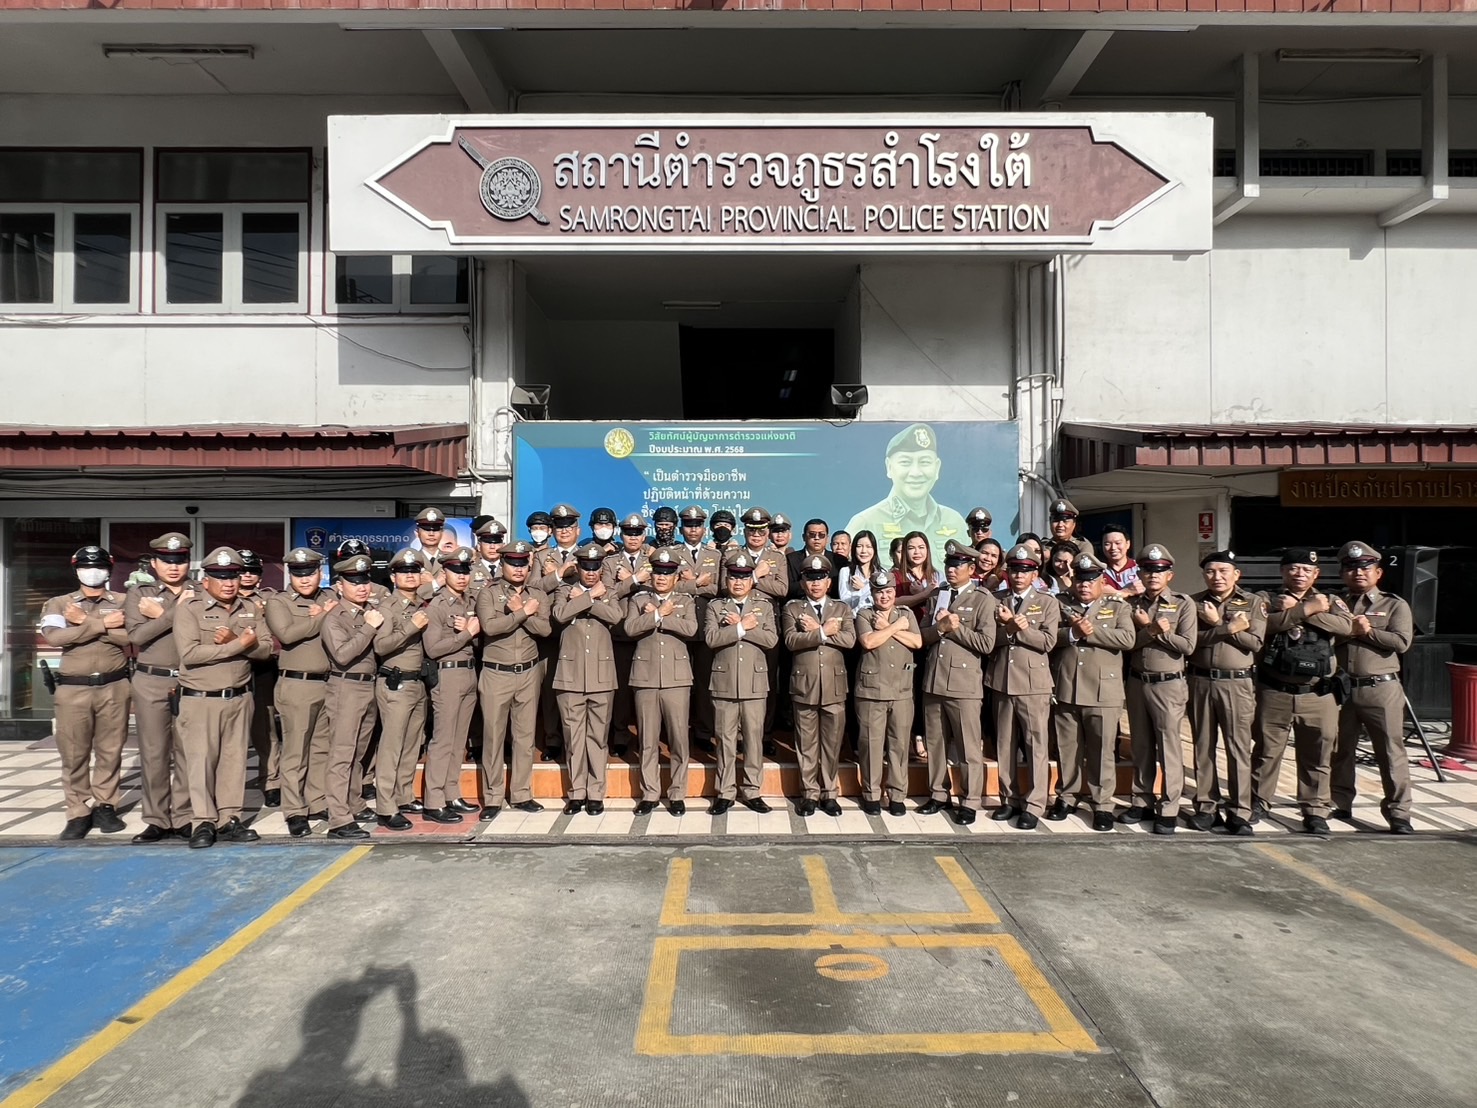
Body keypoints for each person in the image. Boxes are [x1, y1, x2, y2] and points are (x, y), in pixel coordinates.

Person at [1250, 547, 1355, 834]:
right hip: (1275, 690)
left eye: (1307, 570)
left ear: (1316, 574)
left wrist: (1303, 611)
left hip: (1317, 694)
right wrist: (1303, 610)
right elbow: (1261, 626)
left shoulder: (1330, 600)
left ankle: (1315, 809)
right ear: (1282, 572)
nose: (1300, 574)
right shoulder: (1265, 599)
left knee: (1318, 754)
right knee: (1266, 751)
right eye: (1293, 569)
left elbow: (1346, 627)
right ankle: (1258, 801)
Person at [173, 546, 272, 849]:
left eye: (233, 576)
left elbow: (266, 649)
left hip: (239, 697)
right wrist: (237, 645)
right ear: (206, 580)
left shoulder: (250, 608)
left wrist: (239, 642)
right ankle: (203, 821)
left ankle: (230, 818)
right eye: (220, 576)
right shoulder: (190, 609)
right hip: (201, 699)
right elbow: (190, 654)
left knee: (234, 761)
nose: (228, 583)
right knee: (200, 762)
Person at [41, 545, 131, 841]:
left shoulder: (123, 601)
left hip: (114, 686)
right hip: (73, 688)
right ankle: (78, 811)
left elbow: (129, 638)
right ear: (76, 569)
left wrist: (84, 623)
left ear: (109, 570)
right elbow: (55, 637)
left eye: (99, 566)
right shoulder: (59, 603)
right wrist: (103, 625)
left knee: (110, 750)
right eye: (86, 566)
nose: (93, 572)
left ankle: (106, 805)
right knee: (74, 753)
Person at [1332, 541, 1415, 835]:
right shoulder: (1335, 604)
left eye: (1365, 568)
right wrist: (1348, 632)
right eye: (1351, 568)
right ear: (1342, 573)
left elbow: (1402, 643)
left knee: (1390, 752)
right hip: (1342, 688)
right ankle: (1340, 802)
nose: (1358, 573)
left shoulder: (1394, 604)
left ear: (1378, 573)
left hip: (1380, 688)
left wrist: (1367, 632)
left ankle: (1398, 813)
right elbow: (1326, 640)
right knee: (1340, 750)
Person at [1050, 553, 1135, 831]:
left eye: (1090, 580)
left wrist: (1091, 631)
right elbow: (1048, 637)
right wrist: (1071, 634)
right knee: (1067, 748)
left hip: (1103, 691)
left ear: (1101, 580)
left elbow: (1127, 638)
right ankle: (1067, 796)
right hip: (1068, 687)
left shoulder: (1117, 606)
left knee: (1102, 751)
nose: (1084, 585)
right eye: (1080, 579)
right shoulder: (1061, 604)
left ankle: (1102, 804)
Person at [917, 541, 998, 822]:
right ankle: (938, 794)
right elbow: (923, 636)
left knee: (967, 746)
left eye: (958, 565)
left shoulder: (982, 599)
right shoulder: (938, 595)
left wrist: (956, 628)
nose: (951, 570)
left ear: (971, 569)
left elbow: (986, 643)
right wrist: (939, 628)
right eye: (949, 564)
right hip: (934, 679)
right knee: (935, 743)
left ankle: (970, 799)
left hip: (963, 684)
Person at [1188, 550, 1265, 835]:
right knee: (1203, 746)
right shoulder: (1194, 603)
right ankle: (1206, 807)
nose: (1217, 577)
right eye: (1210, 571)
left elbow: (1255, 643)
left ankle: (1240, 810)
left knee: (1238, 748)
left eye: (1223, 571)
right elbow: (1190, 642)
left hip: (1236, 683)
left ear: (1236, 574)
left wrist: (1217, 625)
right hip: (1200, 681)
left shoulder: (1253, 602)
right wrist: (1226, 627)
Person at [124, 532, 195, 842]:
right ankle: (156, 818)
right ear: (154, 563)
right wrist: (174, 613)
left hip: (191, 680)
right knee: (154, 753)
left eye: (179, 560)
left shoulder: (200, 591)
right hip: (152, 681)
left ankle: (184, 816)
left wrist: (160, 616)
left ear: (188, 562)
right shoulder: (139, 594)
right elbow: (137, 636)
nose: (173, 566)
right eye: (166, 560)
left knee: (188, 752)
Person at [1121, 544, 1197, 835]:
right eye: (1148, 570)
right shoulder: (1132, 605)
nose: (1153, 575)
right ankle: (1141, 799)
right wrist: (1151, 630)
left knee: (1169, 747)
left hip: (1168, 683)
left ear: (1170, 575)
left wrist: (1154, 629)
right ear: (1139, 573)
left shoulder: (1183, 604)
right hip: (1137, 681)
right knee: (1141, 745)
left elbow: (1187, 646)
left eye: (1159, 570)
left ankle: (1169, 806)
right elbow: (1128, 643)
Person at [474, 541, 551, 819]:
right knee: (494, 737)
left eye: (523, 563)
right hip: (496, 672)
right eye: (512, 563)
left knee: (524, 737)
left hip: (528, 672)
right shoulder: (489, 592)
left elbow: (545, 629)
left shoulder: (537, 595)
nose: (518, 569)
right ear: (503, 563)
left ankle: (521, 794)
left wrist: (523, 612)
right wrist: (523, 612)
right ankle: (493, 797)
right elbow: (490, 627)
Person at [986, 543, 1060, 830]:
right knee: (1004, 744)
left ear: (1035, 574)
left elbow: (1047, 642)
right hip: (1002, 679)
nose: (1019, 575)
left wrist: (1020, 627)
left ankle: (1035, 803)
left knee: (1035, 745)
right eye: (1015, 570)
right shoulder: (997, 600)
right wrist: (1008, 628)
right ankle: (1009, 798)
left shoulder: (1047, 602)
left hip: (1033, 684)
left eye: (1025, 570)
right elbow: (988, 641)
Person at [264, 547, 337, 838]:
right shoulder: (279, 601)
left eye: (309, 573)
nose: (304, 579)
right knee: (295, 751)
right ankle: (294, 809)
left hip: (327, 682)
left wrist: (325, 612)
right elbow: (287, 634)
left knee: (321, 748)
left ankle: (317, 801)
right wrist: (322, 617)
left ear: (319, 572)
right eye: (297, 574)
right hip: (297, 684)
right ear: (289, 574)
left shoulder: (329, 597)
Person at [624, 549, 699, 815]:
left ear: (676, 577)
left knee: (679, 738)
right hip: (645, 677)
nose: (661, 577)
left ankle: (677, 793)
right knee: (647, 739)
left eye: (667, 573)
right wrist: (655, 615)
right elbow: (630, 628)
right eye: (657, 572)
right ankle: (650, 793)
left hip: (676, 678)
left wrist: (663, 616)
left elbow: (691, 629)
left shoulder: (685, 600)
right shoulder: (639, 600)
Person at [552, 543, 623, 815]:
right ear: (578, 567)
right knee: (573, 738)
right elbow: (559, 615)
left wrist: (585, 600)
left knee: (597, 737)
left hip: (601, 677)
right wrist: (590, 597)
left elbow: (616, 616)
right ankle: (577, 792)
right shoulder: (563, 590)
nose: (591, 572)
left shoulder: (610, 591)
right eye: (586, 567)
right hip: (570, 677)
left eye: (595, 567)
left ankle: (595, 792)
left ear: (601, 568)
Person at [783, 554, 857, 817]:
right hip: (805, 685)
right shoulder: (793, 608)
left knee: (832, 744)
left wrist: (815, 629)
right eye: (810, 579)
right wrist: (824, 631)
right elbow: (791, 641)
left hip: (834, 686)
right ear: (803, 582)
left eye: (820, 578)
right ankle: (809, 794)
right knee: (806, 744)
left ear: (828, 582)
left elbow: (849, 640)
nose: (815, 584)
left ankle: (829, 794)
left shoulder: (841, 609)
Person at [705, 549, 778, 814]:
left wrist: (747, 627)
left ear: (751, 580)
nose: (738, 582)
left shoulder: (764, 606)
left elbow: (771, 640)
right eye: (734, 576)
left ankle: (752, 790)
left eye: (744, 576)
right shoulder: (716, 606)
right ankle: (725, 792)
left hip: (754, 684)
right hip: (724, 683)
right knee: (724, 740)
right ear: (727, 579)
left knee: (753, 740)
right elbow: (711, 639)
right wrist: (739, 627)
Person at [320, 553, 384, 841]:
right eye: (354, 582)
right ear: (339, 585)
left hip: (368, 686)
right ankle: (338, 818)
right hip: (345, 687)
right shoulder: (335, 617)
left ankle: (354, 803)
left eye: (365, 581)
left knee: (359, 752)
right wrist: (370, 627)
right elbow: (343, 655)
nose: (362, 587)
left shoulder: (369, 611)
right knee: (342, 754)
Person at [844, 422, 970, 565]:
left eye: (924, 462)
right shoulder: (865, 522)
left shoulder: (954, 521)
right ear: (889, 467)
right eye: (905, 462)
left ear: (937, 468)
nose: (915, 473)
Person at [421, 546, 482, 824]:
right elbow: (433, 648)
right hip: (447, 675)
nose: (462, 576)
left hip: (468, 672)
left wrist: (471, 633)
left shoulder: (470, 601)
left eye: (465, 571)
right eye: (456, 571)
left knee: (459, 741)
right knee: (443, 740)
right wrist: (465, 634)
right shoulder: (437, 605)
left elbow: (477, 639)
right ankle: (433, 801)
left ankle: (451, 793)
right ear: (444, 572)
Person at [854, 568, 922, 816]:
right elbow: (868, 641)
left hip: (901, 690)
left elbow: (917, 642)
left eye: (889, 591)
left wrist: (889, 627)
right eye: (879, 592)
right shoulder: (864, 614)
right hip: (872, 690)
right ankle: (871, 794)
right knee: (871, 745)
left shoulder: (906, 614)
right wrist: (893, 628)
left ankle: (897, 795)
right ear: (872, 594)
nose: (884, 596)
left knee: (899, 745)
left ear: (895, 592)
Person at [237, 549, 280, 806]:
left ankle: (271, 780)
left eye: (252, 571)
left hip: (262, 668)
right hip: (230, 667)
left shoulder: (270, 598)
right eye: (242, 570)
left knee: (266, 728)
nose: (247, 575)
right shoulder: (222, 597)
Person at [787, 519, 844, 600]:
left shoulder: (839, 561)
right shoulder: (791, 559)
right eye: (812, 534)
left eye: (821, 535)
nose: (817, 538)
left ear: (827, 538)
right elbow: (788, 588)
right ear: (804, 537)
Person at [892, 530, 942, 613]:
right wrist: (924, 594)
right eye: (911, 548)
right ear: (905, 551)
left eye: (921, 547)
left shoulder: (937, 575)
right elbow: (893, 602)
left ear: (927, 549)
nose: (917, 552)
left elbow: (943, 602)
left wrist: (922, 592)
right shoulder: (894, 575)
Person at [839, 530, 881, 615]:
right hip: (854, 618)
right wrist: (869, 591)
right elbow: (845, 603)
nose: (863, 551)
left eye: (868, 546)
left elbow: (882, 601)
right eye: (859, 546)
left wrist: (863, 588)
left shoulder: (881, 573)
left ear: (874, 549)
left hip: (877, 616)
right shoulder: (846, 571)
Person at [1100, 525, 1141, 596]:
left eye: (1118, 543)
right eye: (1107, 544)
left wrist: (1112, 593)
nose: (1113, 548)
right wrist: (1127, 592)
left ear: (1128, 544)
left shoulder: (1139, 568)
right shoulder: (1098, 571)